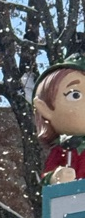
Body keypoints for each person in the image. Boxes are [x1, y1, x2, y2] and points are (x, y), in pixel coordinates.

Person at [33, 54, 85, 184]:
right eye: (75, 95)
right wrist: (55, 177)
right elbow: (47, 178)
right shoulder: (63, 150)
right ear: (45, 109)